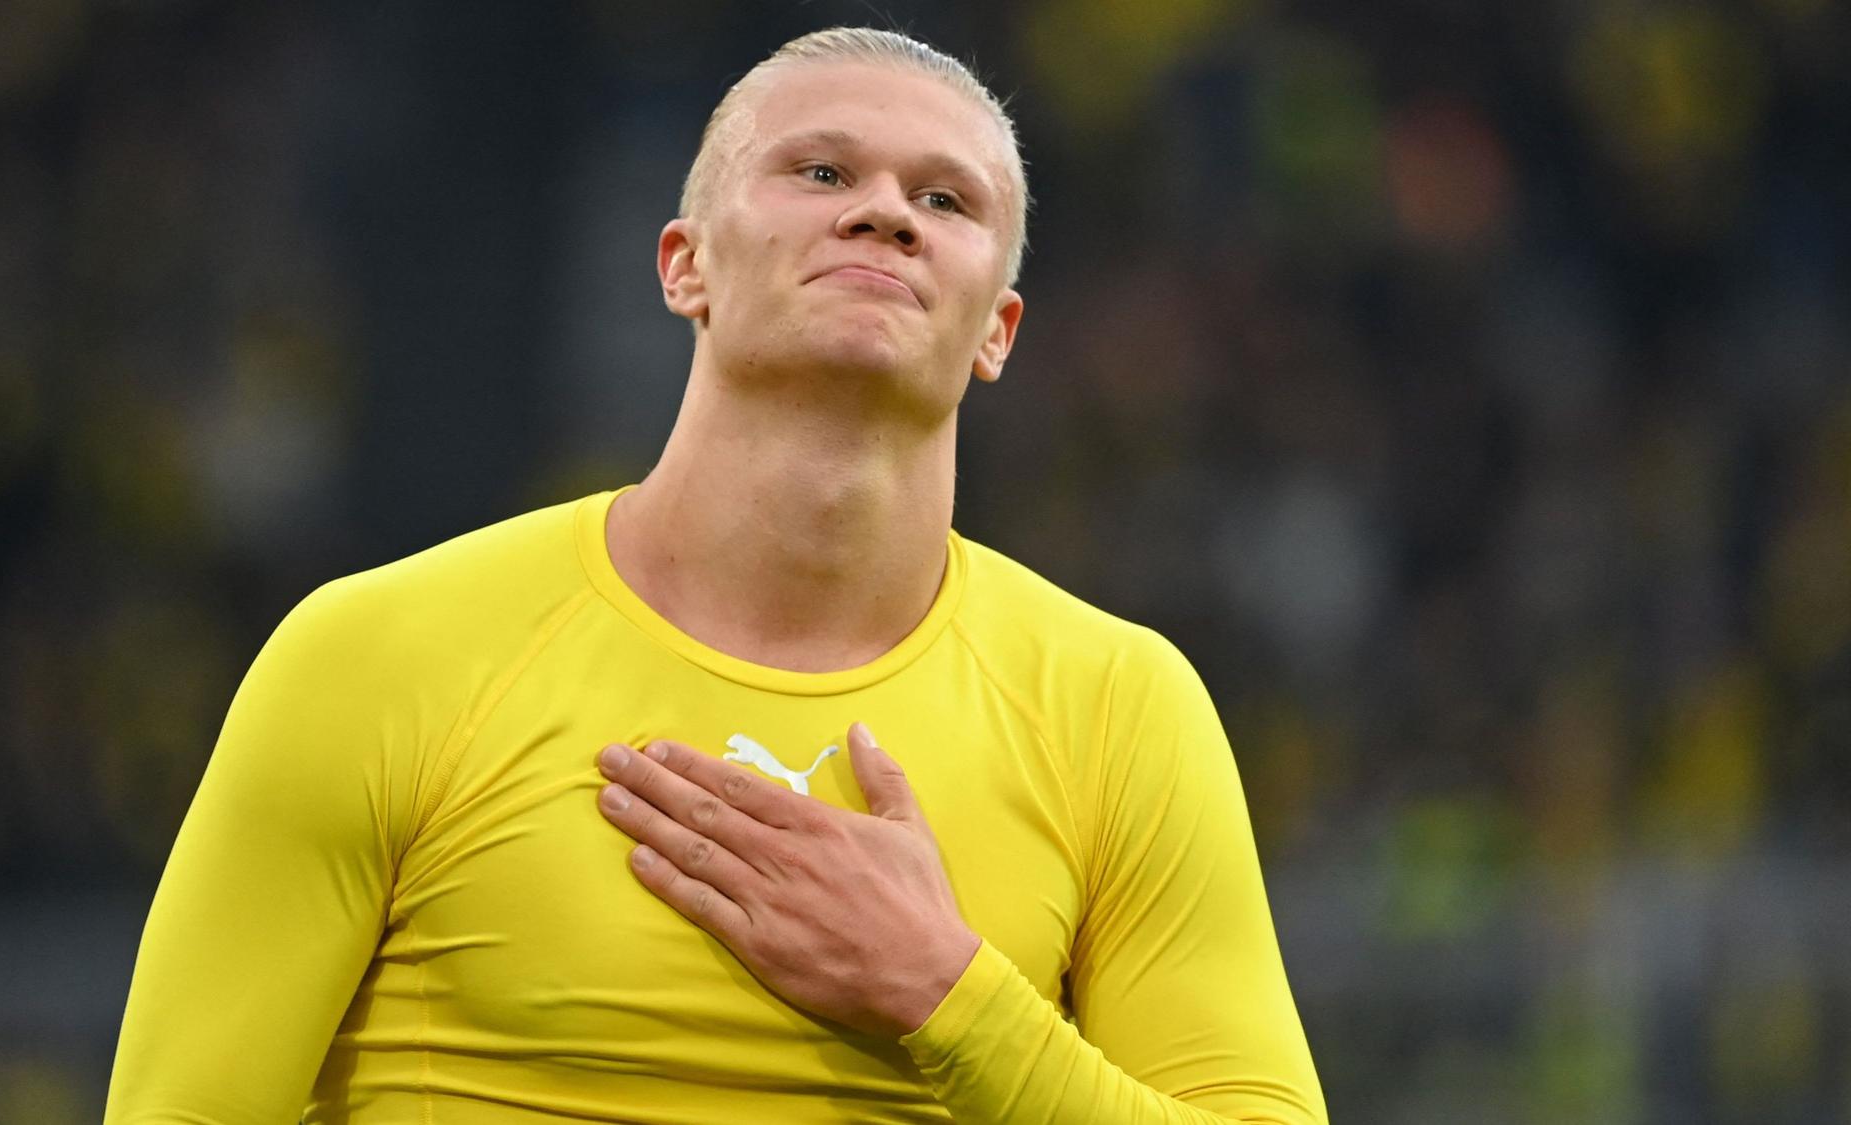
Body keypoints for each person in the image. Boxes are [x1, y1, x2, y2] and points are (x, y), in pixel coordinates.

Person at [105, 26, 1328, 1125]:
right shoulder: (377, 655)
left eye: (944, 200)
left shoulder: (1118, 706)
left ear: (996, 330)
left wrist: (948, 998)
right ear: (683, 265)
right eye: (821, 173)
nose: (885, 212)